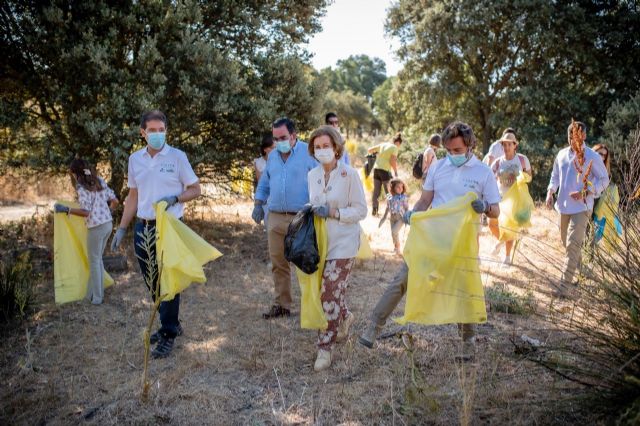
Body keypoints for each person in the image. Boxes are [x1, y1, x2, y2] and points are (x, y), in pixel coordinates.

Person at [359, 122, 500, 357]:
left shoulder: (482, 172)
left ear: (470, 145)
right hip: (433, 236)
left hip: (462, 242)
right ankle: (374, 327)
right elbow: (425, 200)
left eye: (457, 150)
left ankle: (467, 343)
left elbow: (496, 210)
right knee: (403, 277)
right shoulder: (438, 167)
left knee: (463, 288)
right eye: (448, 150)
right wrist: (414, 213)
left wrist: (484, 206)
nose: (452, 155)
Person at [110, 110, 201, 358]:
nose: (158, 134)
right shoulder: (135, 159)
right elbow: (133, 196)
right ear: (143, 133)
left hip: (170, 226)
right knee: (152, 280)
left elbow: (195, 189)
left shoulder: (177, 157)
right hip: (144, 227)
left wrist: (176, 197)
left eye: (162, 130)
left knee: (168, 280)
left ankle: (168, 333)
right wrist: (121, 228)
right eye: (152, 130)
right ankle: (170, 322)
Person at [306, 125, 367, 371]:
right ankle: (344, 316)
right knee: (329, 291)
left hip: (344, 243)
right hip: (320, 243)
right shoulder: (312, 175)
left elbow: (361, 210)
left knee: (328, 293)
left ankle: (325, 348)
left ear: (336, 148)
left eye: (326, 146)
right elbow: (313, 204)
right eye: (317, 147)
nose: (322, 151)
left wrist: (334, 212)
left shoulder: (350, 175)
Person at [252, 117, 317, 319]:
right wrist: (258, 203)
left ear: (293, 136)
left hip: (302, 218)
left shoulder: (308, 153)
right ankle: (282, 305)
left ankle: (312, 307)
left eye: (283, 137)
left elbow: (320, 181)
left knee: (305, 264)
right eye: (275, 138)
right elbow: (264, 183)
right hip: (276, 218)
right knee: (278, 263)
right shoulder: (272, 157)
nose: (279, 141)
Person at [545, 121, 609, 296]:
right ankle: (588, 275)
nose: (573, 139)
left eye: (577, 135)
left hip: (582, 208)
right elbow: (555, 176)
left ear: (584, 136)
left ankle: (563, 288)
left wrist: (587, 190)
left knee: (573, 246)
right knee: (567, 244)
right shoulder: (561, 155)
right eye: (570, 135)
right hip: (563, 207)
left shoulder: (592, 156)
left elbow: (604, 179)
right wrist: (550, 192)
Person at [53, 159, 119, 305]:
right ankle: (91, 294)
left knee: (94, 262)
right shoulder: (99, 181)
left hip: (96, 228)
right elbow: (115, 201)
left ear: (75, 174)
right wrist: (109, 212)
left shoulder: (82, 188)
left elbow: (86, 212)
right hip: (108, 225)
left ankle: (97, 298)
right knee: (98, 260)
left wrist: (67, 210)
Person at [488, 132, 532, 265]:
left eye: (509, 144)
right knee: (491, 224)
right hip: (499, 198)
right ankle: (501, 240)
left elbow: (529, 177)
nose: (507, 147)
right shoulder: (497, 162)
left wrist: (520, 178)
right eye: (504, 144)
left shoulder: (522, 160)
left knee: (510, 228)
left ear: (515, 145)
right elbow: (490, 179)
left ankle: (507, 258)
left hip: (514, 199)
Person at [367, 133, 402, 216]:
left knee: (376, 191)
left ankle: (374, 210)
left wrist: (377, 153)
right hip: (384, 171)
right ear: (399, 143)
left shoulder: (383, 144)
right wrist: (396, 172)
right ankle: (392, 211)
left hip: (376, 169)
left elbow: (369, 150)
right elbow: (392, 161)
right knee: (389, 192)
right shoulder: (395, 148)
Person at [253, 134, 274, 228]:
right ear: (265, 149)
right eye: (272, 148)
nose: (275, 150)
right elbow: (261, 182)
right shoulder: (258, 162)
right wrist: (258, 204)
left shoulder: (279, 160)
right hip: (266, 197)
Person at [385, 178, 409, 256]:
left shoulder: (404, 197)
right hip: (392, 217)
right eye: (398, 187)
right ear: (393, 187)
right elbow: (388, 206)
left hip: (401, 217)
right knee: (393, 234)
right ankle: (396, 248)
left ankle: (398, 248)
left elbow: (406, 207)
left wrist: (407, 217)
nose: (400, 189)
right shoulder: (389, 196)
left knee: (394, 231)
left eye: (402, 187)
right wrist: (384, 216)